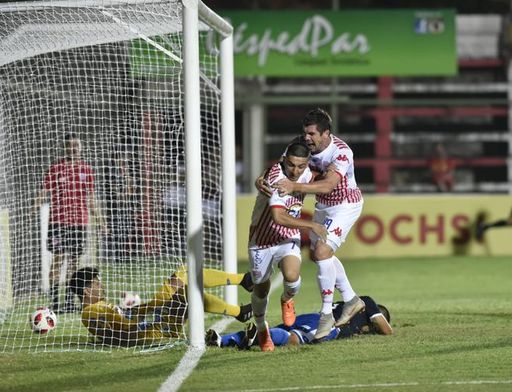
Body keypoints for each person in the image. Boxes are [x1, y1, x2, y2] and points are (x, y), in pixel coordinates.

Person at [268, 108, 366, 342]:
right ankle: (352, 300)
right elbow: (281, 165)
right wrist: (262, 179)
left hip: (345, 204)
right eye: (305, 133)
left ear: (325, 134)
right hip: (324, 207)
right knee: (322, 256)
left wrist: (294, 187)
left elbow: (328, 185)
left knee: (322, 252)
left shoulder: (341, 152)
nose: (307, 138)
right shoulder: (301, 146)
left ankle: (326, 314)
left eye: (312, 134)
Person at [248, 141, 328, 352]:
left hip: (287, 236)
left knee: (292, 277)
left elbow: (326, 178)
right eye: (291, 165)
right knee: (261, 290)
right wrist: (312, 224)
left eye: (301, 166)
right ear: (284, 160)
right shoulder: (276, 178)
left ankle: (287, 299)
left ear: (306, 164)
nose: (295, 171)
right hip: (262, 240)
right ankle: (261, 327)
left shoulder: (307, 173)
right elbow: (278, 216)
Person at [69, 265, 254, 347]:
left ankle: (240, 312)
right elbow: (125, 326)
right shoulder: (92, 311)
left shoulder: (94, 311)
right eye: (96, 283)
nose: (101, 286)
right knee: (182, 275)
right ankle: (243, 280)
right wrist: (150, 308)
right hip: (153, 328)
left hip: (154, 326)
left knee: (186, 291)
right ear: (86, 291)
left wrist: (137, 309)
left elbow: (118, 326)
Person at [35, 135, 106, 313]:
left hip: (79, 222)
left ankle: (68, 301)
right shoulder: (56, 168)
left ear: (81, 148)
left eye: (77, 145)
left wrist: (101, 221)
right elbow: (44, 190)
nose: (73, 148)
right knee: (57, 260)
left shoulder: (86, 170)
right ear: (65, 148)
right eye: (70, 145)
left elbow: (90, 198)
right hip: (58, 221)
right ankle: (55, 303)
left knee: (74, 263)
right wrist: (34, 206)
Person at [206, 295, 393, 349]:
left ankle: (221, 340)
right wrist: (375, 326)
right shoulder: (367, 303)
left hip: (314, 316)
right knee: (294, 339)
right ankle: (257, 337)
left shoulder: (350, 305)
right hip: (329, 325)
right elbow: (387, 331)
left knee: (282, 333)